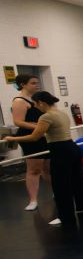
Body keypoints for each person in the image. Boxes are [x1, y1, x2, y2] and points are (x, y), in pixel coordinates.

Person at [4, 92, 83, 226]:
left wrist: (12, 138)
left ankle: (65, 216)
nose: (35, 107)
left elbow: (34, 137)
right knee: (77, 180)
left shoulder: (46, 116)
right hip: (72, 148)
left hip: (60, 150)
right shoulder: (61, 113)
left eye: (35, 104)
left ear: (41, 103)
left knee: (61, 185)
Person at [9, 74, 50, 211]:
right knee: (34, 170)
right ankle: (33, 200)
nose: (37, 85)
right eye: (33, 83)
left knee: (48, 168)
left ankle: (57, 192)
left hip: (43, 136)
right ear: (23, 84)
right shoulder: (19, 101)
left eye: (37, 82)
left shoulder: (35, 99)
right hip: (30, 137)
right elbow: (18, 122)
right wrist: (39, 127)